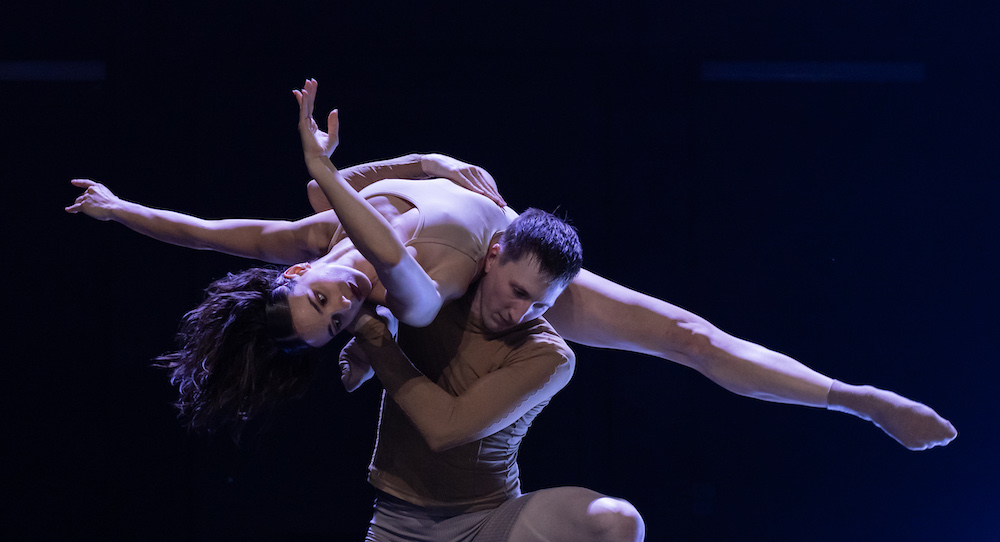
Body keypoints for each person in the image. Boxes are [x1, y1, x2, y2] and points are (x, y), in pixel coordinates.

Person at [65, 79, 956, 453]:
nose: (345, 300)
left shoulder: (310, 240)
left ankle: (853, 397)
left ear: (301, 280)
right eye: (340, 321)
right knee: (676, 337)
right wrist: (328, 171)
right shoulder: (399, 284)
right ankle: (854, 400)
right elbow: (386, 253)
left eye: (328, 303)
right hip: (475, 286)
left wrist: (118, 209)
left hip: (497, 248)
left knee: (689, 333)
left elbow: (207, 231)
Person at [341, 208, 646, 541]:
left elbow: (445, 429)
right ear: (493, 256)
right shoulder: (439, 286)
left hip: (489, 522)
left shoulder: (550, 356)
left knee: (620, 522)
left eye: (540, 305)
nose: (519, 314)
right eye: (518, 291)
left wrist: (372, 337)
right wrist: (431, 163)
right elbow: (346, 251)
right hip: (396, 522)